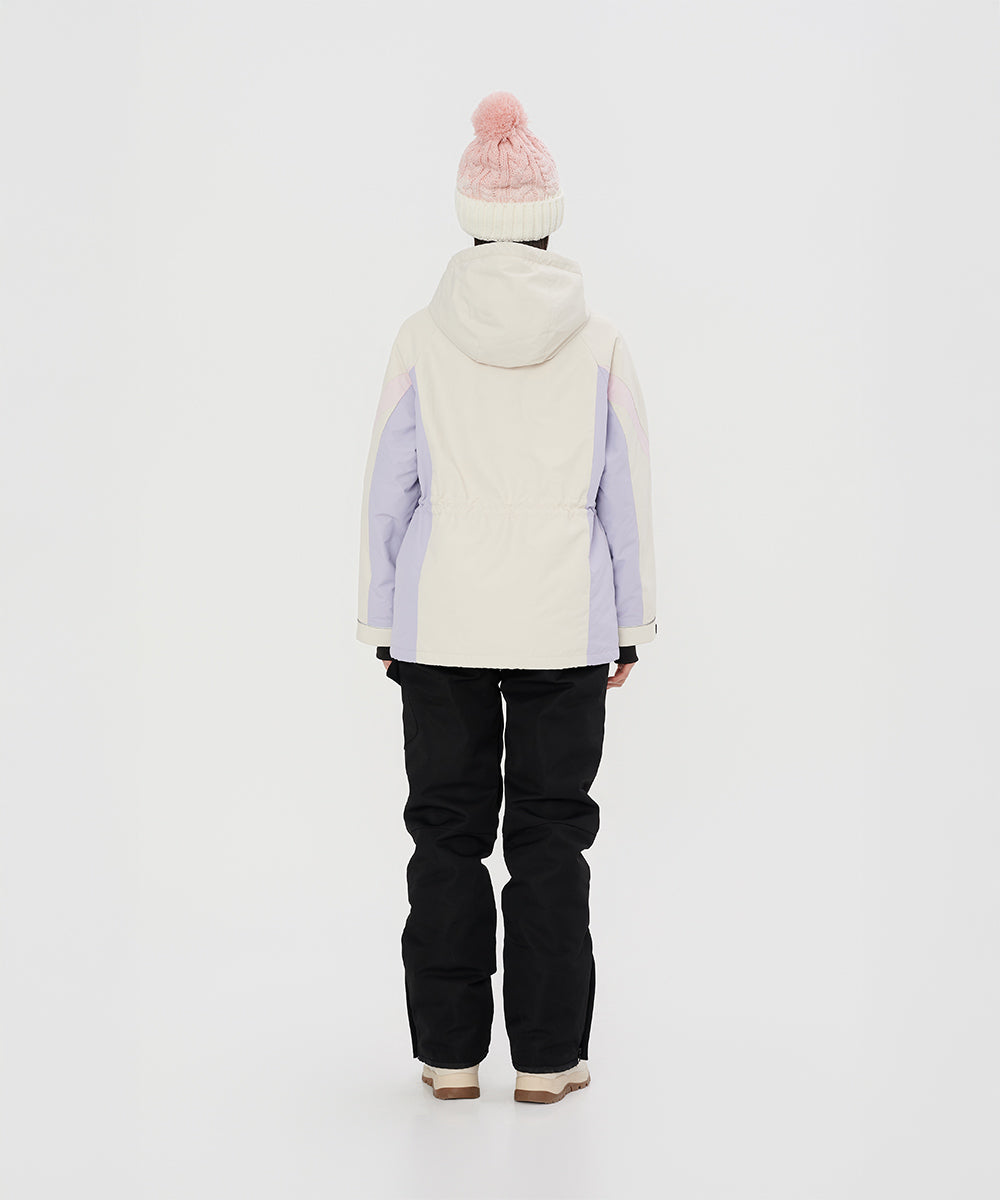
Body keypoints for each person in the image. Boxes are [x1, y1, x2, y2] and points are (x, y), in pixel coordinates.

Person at [355, 90, 657, 1104]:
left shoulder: (420, 335)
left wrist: (382, 618)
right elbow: (626, 494)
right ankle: (546, 1062)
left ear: (470, 217)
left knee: (443, 835)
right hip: (563, 617)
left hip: (440, 617)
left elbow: (389, 487)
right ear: (548, 218)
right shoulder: (600, 341)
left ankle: (448, 1059)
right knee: (550, 839)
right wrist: (628, 626)